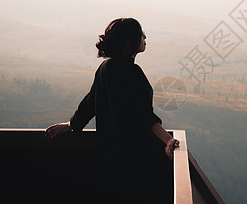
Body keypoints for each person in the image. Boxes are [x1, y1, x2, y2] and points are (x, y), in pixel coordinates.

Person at [45, 17, 179, 203]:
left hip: (108, 158)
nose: (145, 38)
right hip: (134, 159)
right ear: (128, 42)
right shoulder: (133, 74)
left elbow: (91, 101)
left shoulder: (105, 68)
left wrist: (71, 125)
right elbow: (145, 117)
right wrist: (168, 140)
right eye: (141, 34)